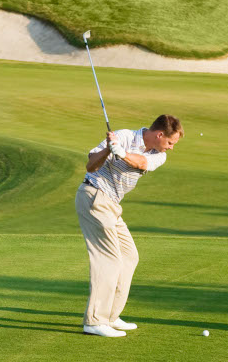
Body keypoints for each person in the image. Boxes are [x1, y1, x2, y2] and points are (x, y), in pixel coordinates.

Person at [76, 114, 183, 337]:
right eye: (170, 142)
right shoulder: (124, 136)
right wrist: (108, 149)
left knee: (129, 255)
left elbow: (141, 163)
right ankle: (95, 321)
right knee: (109, 259)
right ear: (160, 135)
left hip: (112, 205)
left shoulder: (158, 155)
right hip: (94, 196)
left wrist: (122, 154)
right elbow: (91, 165)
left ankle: (111, 316)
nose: (171, 148)